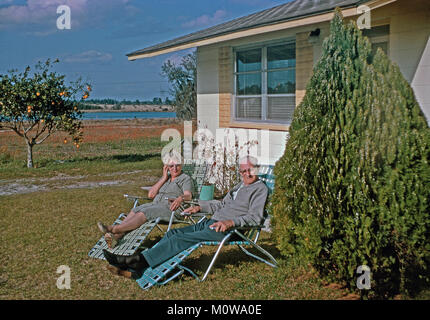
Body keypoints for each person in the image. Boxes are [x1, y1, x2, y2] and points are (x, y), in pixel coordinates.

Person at [103, 155, 268, 279]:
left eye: (250, 170)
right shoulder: (240, 186)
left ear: (257, 169)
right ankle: (139, 270)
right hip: (212, 222)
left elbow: (255, 217)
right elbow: (220, 204)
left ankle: (135, 261)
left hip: (227, 229)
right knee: (172, 234)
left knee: (178, 240)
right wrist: (199, 207)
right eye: (243, 171)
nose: (247, 173)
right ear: (240, 172)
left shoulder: (259, 189)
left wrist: (231, 222)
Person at [97, 152, 193, 248]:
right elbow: (151, 195)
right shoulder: (165, 178)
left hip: (171, 209)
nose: (175, 168)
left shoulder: (185, 179)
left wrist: (180, 198)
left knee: (146, 211)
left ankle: (113, 229)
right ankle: (116, 237)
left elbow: (188, 195)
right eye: (171, 166)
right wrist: (164, 177)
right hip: (156, 205)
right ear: (166, 167)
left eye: (178, 165)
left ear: (182, 165)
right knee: (137, 209)